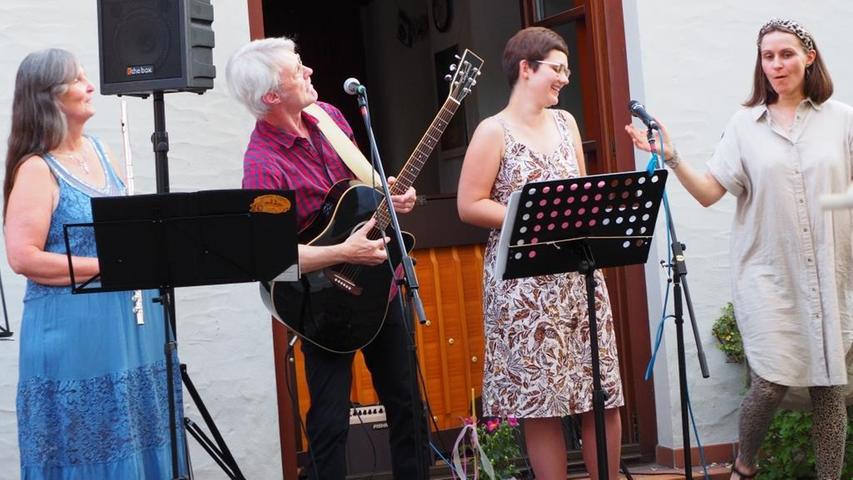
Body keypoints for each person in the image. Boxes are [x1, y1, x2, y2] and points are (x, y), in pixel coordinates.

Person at [626, 18, 851, 480]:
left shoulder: (842, 120)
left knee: (830, 387)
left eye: (786, 54)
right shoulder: (744, 125)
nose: (776, 64)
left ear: (809, 57)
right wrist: (672, 157)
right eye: (768, 56)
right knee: (769, 382)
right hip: (767, 274)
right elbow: (711, 192)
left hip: (830, 269)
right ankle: (744, 465)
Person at [225, 37, 427, 479]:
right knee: (330, 422)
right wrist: (343, 252)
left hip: (379, 282)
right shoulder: (263, 166)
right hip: (321, 301)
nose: (310, 72)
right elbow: (268, 257)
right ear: (271, 96)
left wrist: (392, 195)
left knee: (408, 403)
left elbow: (360, 193)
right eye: (298, 70)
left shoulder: (329, 118)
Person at [3, 48, 186, 479]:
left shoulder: (103, 151)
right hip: (74, 330)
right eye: (78, 79)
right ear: (48, 97)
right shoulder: (36, 169)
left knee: (141, 432)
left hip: (129, 323)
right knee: (91, 442)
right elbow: (22, 256)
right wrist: (110, 263)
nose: (90, 87)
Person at [457, 27, 624, 480]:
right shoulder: (494, 130)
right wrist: (533, 216)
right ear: (526, 69)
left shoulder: (567, 123)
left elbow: (583, 193)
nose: (564, 79)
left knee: (601, 392)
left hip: (577, 274)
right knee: (541, 402)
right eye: (557, 69)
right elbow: (470, 204)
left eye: (566, 70)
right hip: (523, 284)